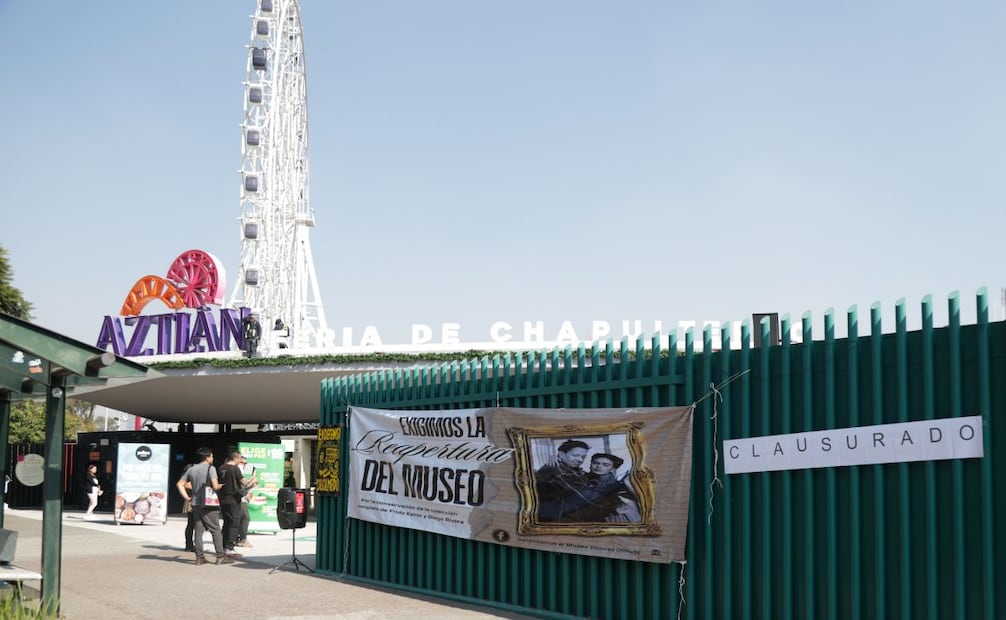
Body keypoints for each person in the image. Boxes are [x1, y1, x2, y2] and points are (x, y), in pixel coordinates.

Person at [176, 447, 234, 565]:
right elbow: (215, 485)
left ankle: (199, 557)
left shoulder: (192, 469)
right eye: (211, 456)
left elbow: (180, 484)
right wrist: (221, 486)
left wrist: (187, 498)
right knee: (215, 530)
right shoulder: (210, 468)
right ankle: (220, 556)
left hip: (195, 503)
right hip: (209, 503)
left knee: (198, 529)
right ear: (207, 457)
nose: (212, 458)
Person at [564, 452, 642, 523]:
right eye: (595, 463)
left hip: (607, 517)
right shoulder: (580, 479)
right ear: (590, 464)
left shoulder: (617, 485)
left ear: (613, 468)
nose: (599, 466)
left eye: (605, 465)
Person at [534, 439, 590, 522]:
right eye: (575, 455)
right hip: (556, 519)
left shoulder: (571, 468)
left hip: (562, 515)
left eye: (583, 457)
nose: (580, 460)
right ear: (561, 454)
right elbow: (584, 496)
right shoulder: (557, 469)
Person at [217, 451, 256, 555]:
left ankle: (223, 546)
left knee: (226, 523)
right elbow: (245, 482)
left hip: (223, 499)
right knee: (234, 523)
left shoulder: (221, 468)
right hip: (234, 499)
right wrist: (253, 478)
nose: (240, 462)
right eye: (240, 459)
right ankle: (229, 547)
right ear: (236, 458)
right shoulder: (235, 469)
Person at [234, 455, 258, 548]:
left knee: (240, 519)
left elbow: (244, 487)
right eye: (242, 462)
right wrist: (253, 477)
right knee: (245, 518)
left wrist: (251, 486)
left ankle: (237, 538)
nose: (244, 465)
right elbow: (244, 484)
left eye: (245, 463)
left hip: (242, 498)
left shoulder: (240, 471)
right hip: (239, 499)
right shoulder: (237, 471)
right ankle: (242, 539)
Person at [177, 464, 196, 551]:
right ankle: (189, 544)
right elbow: (188, 486)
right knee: (191, 524)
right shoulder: (187, 481)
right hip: (191, 501)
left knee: (191, 524)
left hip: (192, 501)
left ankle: (190, 544)